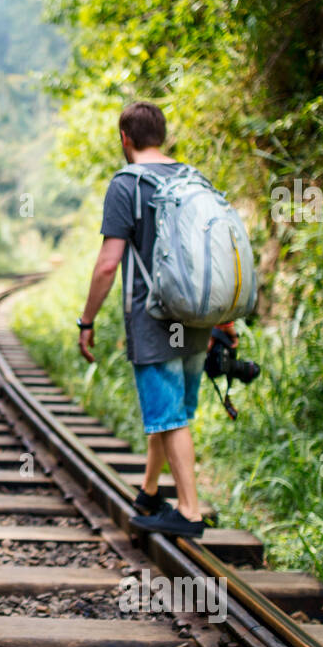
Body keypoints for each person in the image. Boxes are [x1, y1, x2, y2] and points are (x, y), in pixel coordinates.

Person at [77, 102, 211, 537]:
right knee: (171, 411)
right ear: (165, 136)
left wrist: (87, 319)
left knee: (168, 415)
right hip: (195, 313)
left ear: (125, 140)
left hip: (152, 314)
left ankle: (189, 511)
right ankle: (150, 491)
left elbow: (107, 264)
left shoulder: (126, 185)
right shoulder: (195, 178)